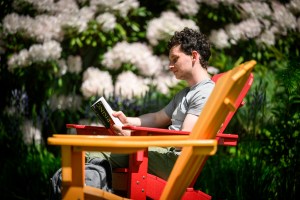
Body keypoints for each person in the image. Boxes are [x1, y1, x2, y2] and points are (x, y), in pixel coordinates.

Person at [86, 27, 215, 180]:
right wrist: (127, 122)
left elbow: (184, 140)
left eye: (175, 59)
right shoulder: (185, 94)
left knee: (93, 152)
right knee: (95, 150)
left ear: (194, 56)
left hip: (174, 162)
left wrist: (134, 138)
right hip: (164, 156)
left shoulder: (205, 93)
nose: (170, 65)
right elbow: (156, 118)